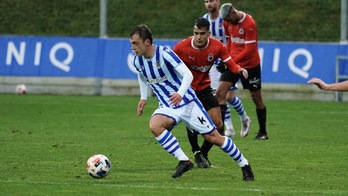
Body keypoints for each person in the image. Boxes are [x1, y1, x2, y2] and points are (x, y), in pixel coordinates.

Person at [129, 23, 254, 181]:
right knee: (155, 125)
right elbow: (142, 75)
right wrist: (143, 98)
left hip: (188, 103)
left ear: (147, 42)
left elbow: (188, 75)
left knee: (214, 137)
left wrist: (180, 94)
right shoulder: (138, 61)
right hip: (168, 106)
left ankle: (245, 165)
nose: (133, 47)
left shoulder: (165, 54)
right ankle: (184, 161)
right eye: (131, 43)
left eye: (135, 43)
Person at [173, 18, 249, 168]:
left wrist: (239, 69)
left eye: (202, 33)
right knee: (193, 125)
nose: (199, 37)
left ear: (208, 33)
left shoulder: (217, 46)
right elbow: (169, 63)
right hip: (189, 91)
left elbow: (230, 63)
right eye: (196, 33)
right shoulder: (181, 47)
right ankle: (196, 153)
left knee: (219, 125)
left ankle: (203, 153)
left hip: (204, 89)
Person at [217, 3, 268, 140]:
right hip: (234, 64)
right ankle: (220, 132)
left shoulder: (249, 23)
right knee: (220, 93)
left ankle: (263, 132)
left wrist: (231, 61)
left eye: (228, 20)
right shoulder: (227, 22)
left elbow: (249, 50)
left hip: (250, 66)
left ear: (233, 13)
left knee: (256, 98)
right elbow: (229, 41)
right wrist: (225, 58)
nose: (227, 23)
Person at [203, 0, 251, 138]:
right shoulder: (204, 20)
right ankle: (229, 128)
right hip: (212, 63)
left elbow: (232, 40)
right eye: (206, 1)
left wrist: (229, 59)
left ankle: (244, 117)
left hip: (227, 60)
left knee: (229, 96)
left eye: (211, 1)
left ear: (218, 2)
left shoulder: (226, 20)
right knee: (218, 96)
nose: (209, 4)